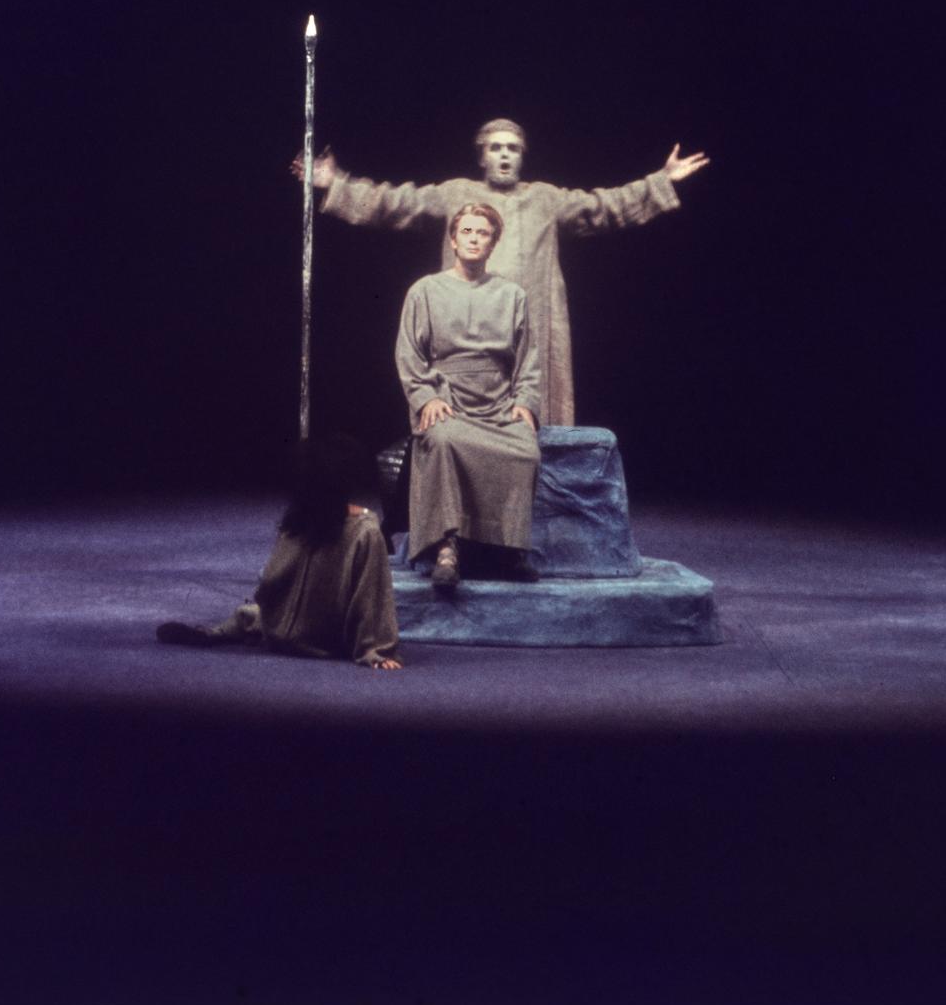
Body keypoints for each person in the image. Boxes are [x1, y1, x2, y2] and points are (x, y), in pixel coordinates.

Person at [297, 119, 709, 428]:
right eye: (496, 148)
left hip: (529, 325)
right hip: (466, 328)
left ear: (522, 156)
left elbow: (605, 207)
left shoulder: (545, 199)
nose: (505, 155)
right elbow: (396, 203)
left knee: (532, 411)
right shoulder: (456, 193)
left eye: (513, 148)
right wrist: (337, 183)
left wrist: (661, 181)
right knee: (464, 422)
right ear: (482, 157)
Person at [157, 435, 403, 669]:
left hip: (299, 634)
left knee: (254, 614)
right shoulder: (328, 522)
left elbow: (273, 580)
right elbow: (369, 593)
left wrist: (374, 648)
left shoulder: (334, 525)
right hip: (305, 635)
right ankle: (226, 630)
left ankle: (228, 629)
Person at [396, 201, 543, 589]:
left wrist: (525, 402)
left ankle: (508, 549)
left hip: (496, 402)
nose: (474, 239)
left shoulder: (512, 295)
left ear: (493, 243)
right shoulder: (426, 291)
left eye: (483, 233)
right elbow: (408, 353)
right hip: (448, 399)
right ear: (453, 240)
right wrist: (426, 397)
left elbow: (528, 358)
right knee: (444, 440)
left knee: (525, 450)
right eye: (467, 231)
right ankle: (447, 547)